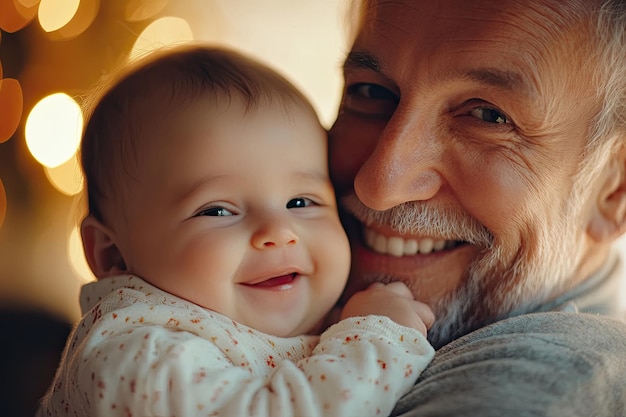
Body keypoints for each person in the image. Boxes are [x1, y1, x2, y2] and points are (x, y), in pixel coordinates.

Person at [37, 45, 436, 417]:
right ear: (113, 255)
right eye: (217, 210)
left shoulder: (327, 314)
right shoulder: (135, 351)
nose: (278, 231)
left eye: (301, 202)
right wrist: (380, 335)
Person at [329, 0, 626, 415]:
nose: (379, 186)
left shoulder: (542, 390)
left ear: (615, 191)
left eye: (488, 116)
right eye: (370, 92)